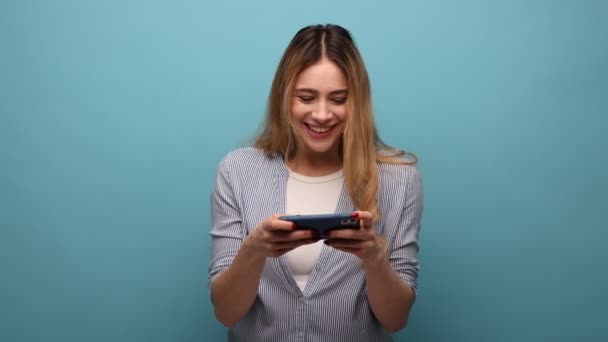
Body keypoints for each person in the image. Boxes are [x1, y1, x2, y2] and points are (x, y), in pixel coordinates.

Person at [208, 24, 423, 342]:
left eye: (338, 99)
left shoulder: (400, 180)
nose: (322, 114)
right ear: (284, 97)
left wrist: (373, 258)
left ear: (358, 102)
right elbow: (226, 312)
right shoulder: (237, 170)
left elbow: (396, 320)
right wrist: (253, 251)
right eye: (306, 97)